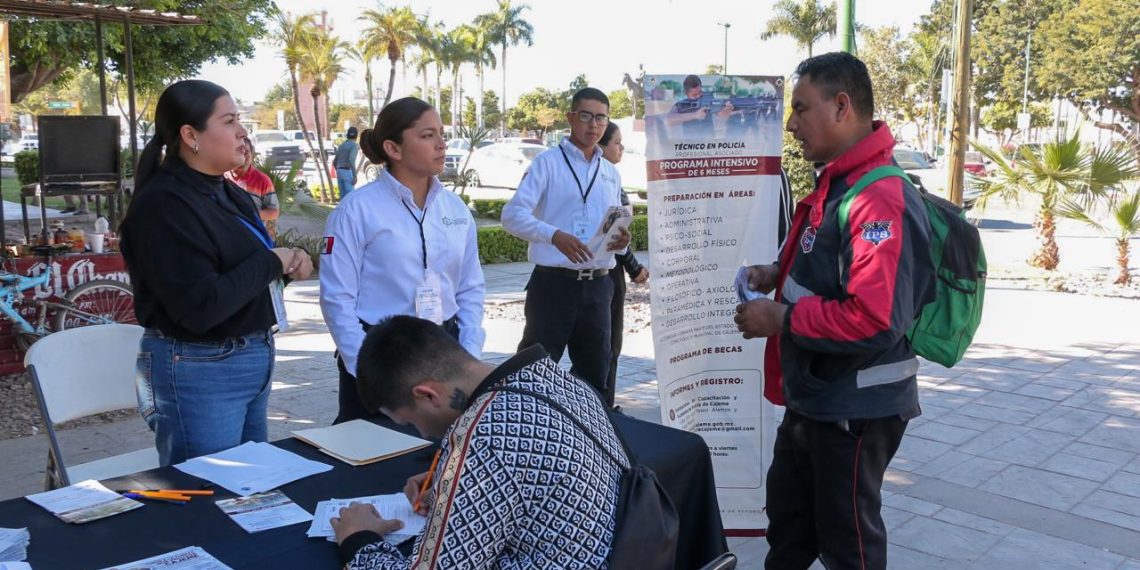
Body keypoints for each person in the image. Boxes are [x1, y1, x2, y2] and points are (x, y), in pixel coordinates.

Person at [734, 52, 935, 570]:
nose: (793, 124)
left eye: (801, 108)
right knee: (790, 527)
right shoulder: (839, 182)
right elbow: (826, 262)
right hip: (816, 399)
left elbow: (874, 317)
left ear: (842, 106)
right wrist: (775, 273)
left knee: (849, 545)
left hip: (854, 409)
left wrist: (780, 319)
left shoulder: (877, 198)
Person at [330, 316, 625, 569]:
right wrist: (454, 483)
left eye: (411, 422)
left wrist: (358, 538)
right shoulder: (551, 377)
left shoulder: (483, 438)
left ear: (428, 395)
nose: (422, 435)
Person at [121, 79, 313, 466]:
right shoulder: (164, 205)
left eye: (239, 120)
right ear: (190, 135)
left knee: (249, 488)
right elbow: (200, 306)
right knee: (208, 496)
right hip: (200, 366)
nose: (242, 132)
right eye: (229, 122)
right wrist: (272, 261)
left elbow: (236, 273)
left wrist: (287, 266)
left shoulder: (228, 193)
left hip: (249, 355)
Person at [320, 97, 485, 425]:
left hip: (445, 347)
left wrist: (467, 357)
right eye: (427, 136)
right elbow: (336, 299)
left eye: (441, 133)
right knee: (374, 455)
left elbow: (470, 288)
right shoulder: (356, 210)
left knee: (439, 457)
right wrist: (364, 368)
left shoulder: (454, 209)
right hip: (382, 351)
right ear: (393, 149)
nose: (441, 144)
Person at [501, 87, 630, 396]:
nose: (593, 125)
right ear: (571, 118)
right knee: (533, 376)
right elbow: (512, 215)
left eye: (601, 118)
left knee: (595, 378)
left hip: (599, 286)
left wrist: (621, 242)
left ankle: (590, 441)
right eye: (586, 116)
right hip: (554, 286)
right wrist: (554, 235)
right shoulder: (547, 164)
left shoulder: (610, 172)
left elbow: (614, 225)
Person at [597, 121, 648, 407]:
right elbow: (614, 233)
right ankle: (603, 409)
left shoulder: (609, 177)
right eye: (617, 142)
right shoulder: (606, 178)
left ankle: (602, 406)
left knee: (603, 348)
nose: (622, 148)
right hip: (606, 272)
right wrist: (633, 266)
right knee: (607, 347)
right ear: (602, 148)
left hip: (606, 269)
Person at [228, 136, 280, 237]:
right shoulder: (221, 177)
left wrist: (249, 215)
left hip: (254, 238)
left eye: (246, 152)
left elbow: (274, 212)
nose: (243, 155)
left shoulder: (262, 180)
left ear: (252, 154)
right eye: (239, 151)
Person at [665, 74, 735, 137]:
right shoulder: (682, 104)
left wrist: (726, 110)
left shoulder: (708, 99)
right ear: (685, 93)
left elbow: (721, 115)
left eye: (700, 92)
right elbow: (669, 120)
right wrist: (695, 115)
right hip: (689, 145)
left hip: (708, 143)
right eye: (694, 95)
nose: (698, 96)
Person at [333, 126, 360, 199]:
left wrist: (339, 170)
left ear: (347, 135)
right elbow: (351, 160)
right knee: (350, 197)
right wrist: (355, 176)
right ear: (356, 136)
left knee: (342, 197)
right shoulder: (355, 145)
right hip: (347, 171)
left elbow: (334, 161)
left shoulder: (342, 145)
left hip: (339, 171)